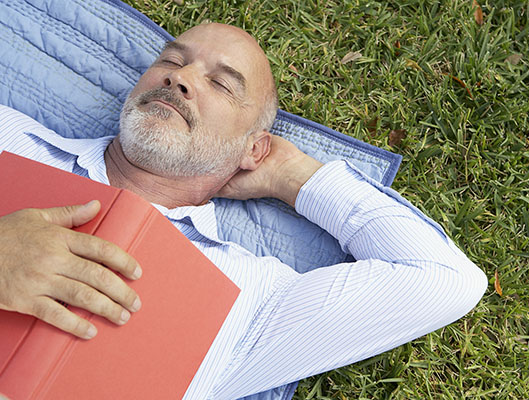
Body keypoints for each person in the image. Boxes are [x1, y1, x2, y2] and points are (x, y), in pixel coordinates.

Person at [0, 23, 487, 398]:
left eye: (223, 84)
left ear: (253, 150)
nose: (181, 77)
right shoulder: (10, 138)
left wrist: (293, 176)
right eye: (171, 59)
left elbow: (442, 278)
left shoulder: (248, 295)